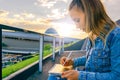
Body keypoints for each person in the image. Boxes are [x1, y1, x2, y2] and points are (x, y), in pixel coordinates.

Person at [48, 0, 120, 80]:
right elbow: (90, 59)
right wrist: (73, 62)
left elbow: (117, 76)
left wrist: (80, 76)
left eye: (77, 20)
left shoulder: (116, 36)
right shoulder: (92, 35)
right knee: (54, 76)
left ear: (91, 11)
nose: (76, 26)